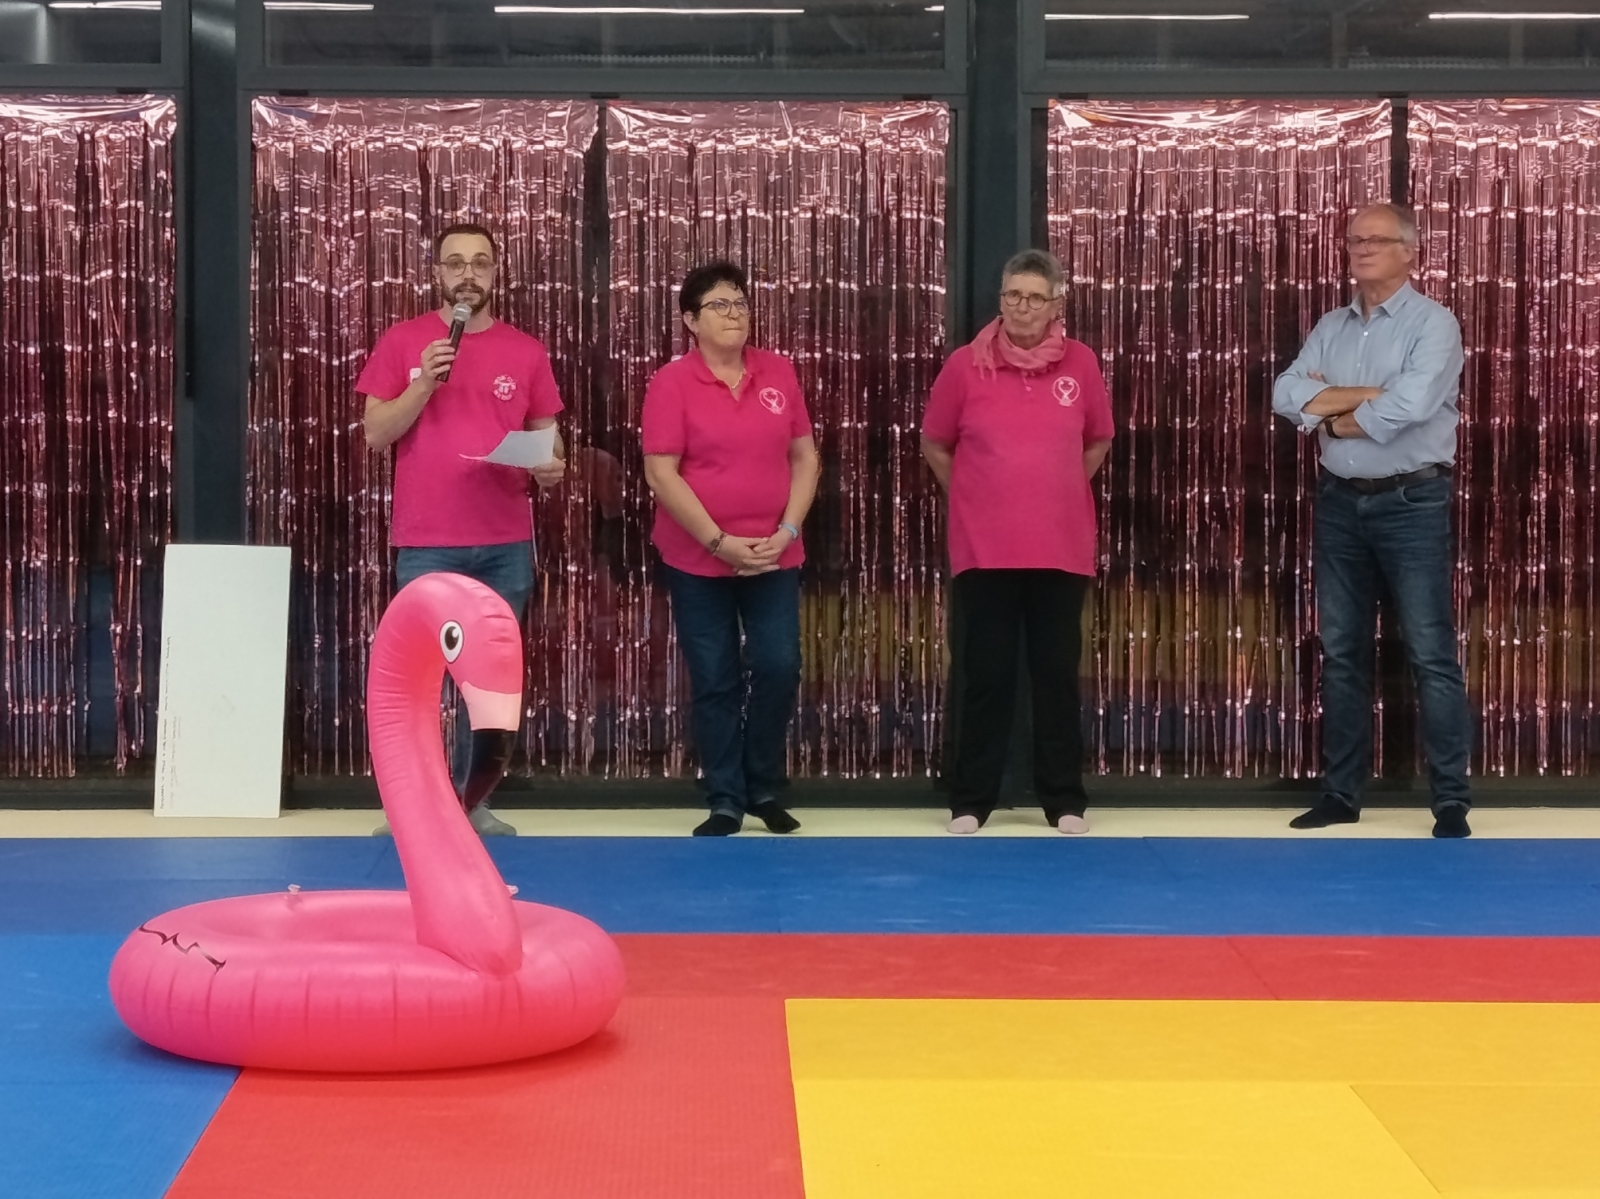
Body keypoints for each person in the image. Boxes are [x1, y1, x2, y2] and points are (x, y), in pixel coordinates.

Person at [356, 221, 567, 837]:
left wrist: (552, 467)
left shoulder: (526, 352)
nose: (467, 274)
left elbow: (551, 444)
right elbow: (376, 434)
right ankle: (418, 809)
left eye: (480, 262)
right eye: (455, 263)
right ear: (437, 274)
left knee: (488, 686)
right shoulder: (404, 341)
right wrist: (424, 380)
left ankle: (472, 802)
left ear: (496, 273)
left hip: (505, 544)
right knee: (421, 685)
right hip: (427, 543)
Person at [1272, 202, 1472, 838]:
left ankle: (1450, 801)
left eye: (1375, 240)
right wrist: (1367, 397)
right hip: (1339, 502)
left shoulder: (1434, 324)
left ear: (1410, 252)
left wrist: (1329, 414)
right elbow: (1284, 394)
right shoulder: (1331, 326)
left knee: (1431, 652)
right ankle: (1341, 794)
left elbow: (1410, 407)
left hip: (1412, 502)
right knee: (1342, 652)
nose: (1360, 249)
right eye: (1354, 239)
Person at [921, 249, 1115, 835]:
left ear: (1057, 304)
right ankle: (971, 800)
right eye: (1012, 295)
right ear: (1000, 299)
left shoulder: (1081, 363)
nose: (1022, 307)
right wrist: (976, 493)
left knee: (1056, 675)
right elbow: (935, 443)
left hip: (1061, 546)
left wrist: (1058, 487)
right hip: (985, 549)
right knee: (986, 675)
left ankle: (1064, 800)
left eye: (1034, 297)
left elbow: (1098, 440)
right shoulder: (964, 366)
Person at [640, 261, 822, 836]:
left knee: (778, 666)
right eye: (719, 305)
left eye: (740, 302)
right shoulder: (671, 383)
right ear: (690, 321)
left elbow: (805, 458)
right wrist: (718, 542)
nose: (735, 313)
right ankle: (725, 798)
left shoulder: (778, 372)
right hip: (698, 557)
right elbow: (661, 473)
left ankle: (761, 785)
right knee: (715, 677)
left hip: (773, 553)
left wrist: (786, 531)